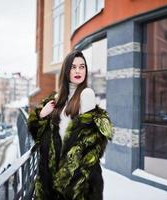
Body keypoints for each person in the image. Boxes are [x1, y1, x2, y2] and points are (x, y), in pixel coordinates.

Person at [28, 50, 112, 200]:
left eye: (82, 66)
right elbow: (40, 135)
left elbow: (87, 142)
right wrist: (41, 115)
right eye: (73, 67)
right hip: (53, 174)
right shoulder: (58, 97)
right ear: (66, 70)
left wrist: (65, 176)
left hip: (76, 181)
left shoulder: (86, 94)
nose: (78, 71)